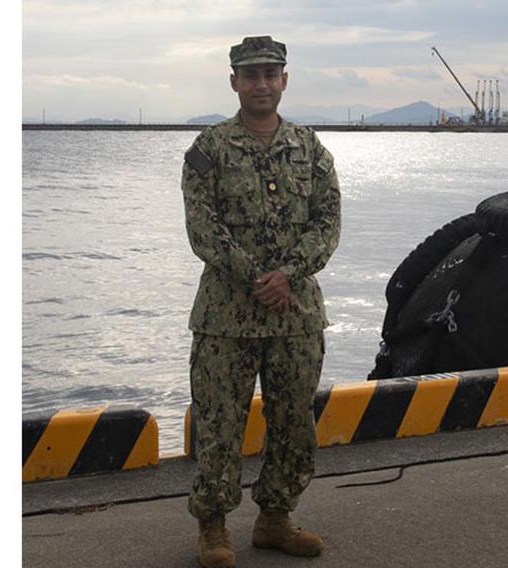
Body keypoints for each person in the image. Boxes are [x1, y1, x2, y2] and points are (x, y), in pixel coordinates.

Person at [180, 35, 341, 568]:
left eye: (271, 74)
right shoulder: (209, 150)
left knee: (295, 425)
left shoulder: (310, 149)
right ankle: (214, 528)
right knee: (220, 427)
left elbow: (327, 223)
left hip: (295, 318)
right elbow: (203, 230)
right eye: (251, 75)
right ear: (234, 82)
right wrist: (258, 278)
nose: (261, 84)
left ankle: (274, 520)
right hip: (226, 318)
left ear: (284, 80)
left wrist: (289, 275)